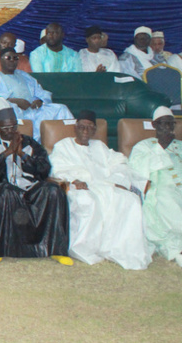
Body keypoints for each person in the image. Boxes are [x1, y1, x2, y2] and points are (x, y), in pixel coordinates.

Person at [50, 110, 151, 269]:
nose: (85, 131)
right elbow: (57, 169)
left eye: (90, 127)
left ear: (95, 130)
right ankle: (84, 249)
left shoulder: (100, 147)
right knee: (88, 200)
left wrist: (117, 181)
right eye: (82, 127)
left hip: (105, 185)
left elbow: (120, 163)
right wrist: (74, 180)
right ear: (75, 128)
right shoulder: (63, 146)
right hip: (77, 188)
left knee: (130, 200)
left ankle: (118, 248)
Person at [0, 109, 71, 263]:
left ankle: (55, 249)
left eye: (13, 127)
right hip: (3, 186)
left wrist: (22, 155)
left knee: (54, 191)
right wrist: (6, 153)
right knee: (8, 193)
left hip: (30, 187)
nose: (10, 131)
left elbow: (44, 169)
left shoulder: (30, 143)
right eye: (5, 128)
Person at [128, 107, 182, 267]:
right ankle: (176, 248)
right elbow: (136, 168)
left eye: (170, 124)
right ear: (154, 125)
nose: (167, 128)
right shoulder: (144, 146)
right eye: (163, 124)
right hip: (162, 186)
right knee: (166, 198)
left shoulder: (180, 145)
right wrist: (161, 147)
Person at [0, 46, 74, 141]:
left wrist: (39, 100)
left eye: (15, 58)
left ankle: (70, 142)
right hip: (14, 111)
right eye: (8, 58)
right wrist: (15, 101)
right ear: (0, 60)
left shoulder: (24, 75)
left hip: (33, 109)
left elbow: (41, 92)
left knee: (61, 109)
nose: (12, 60)